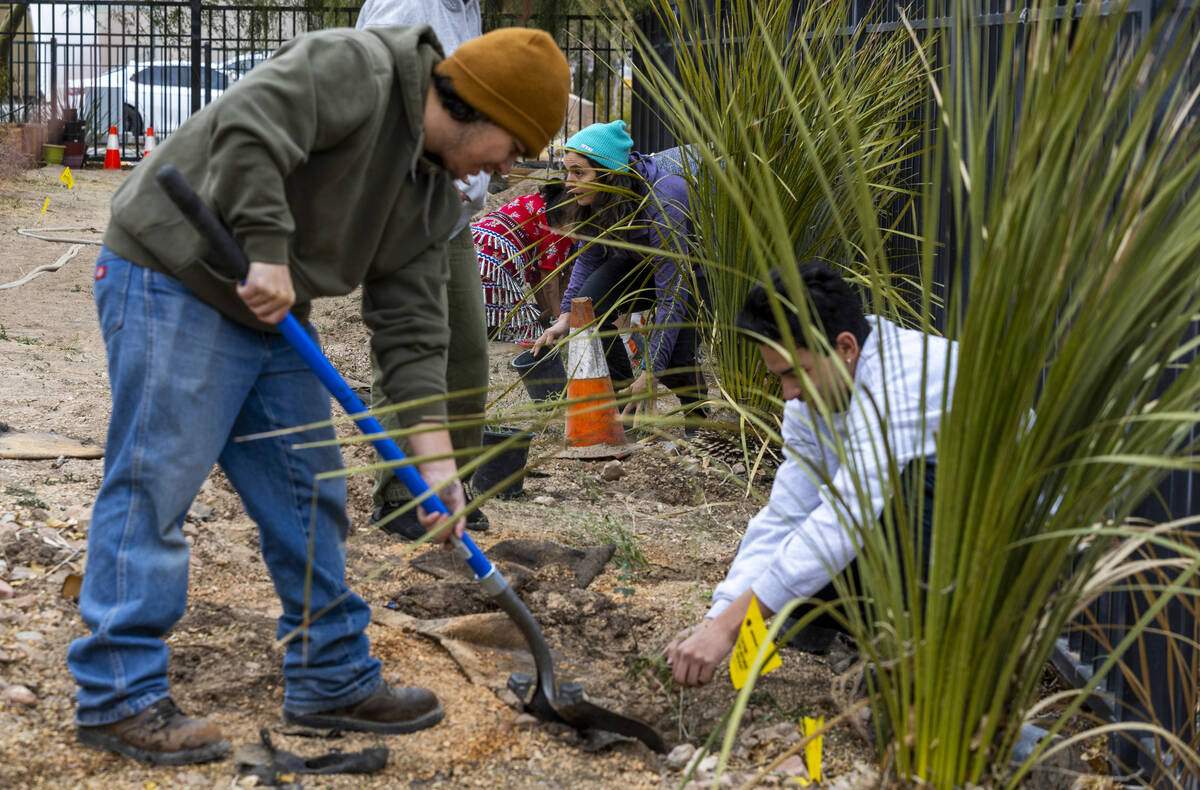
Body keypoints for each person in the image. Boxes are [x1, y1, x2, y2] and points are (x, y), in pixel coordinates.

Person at [67, 25, 569, 765]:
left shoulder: (435, 194)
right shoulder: (357, 67)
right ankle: (117, 694)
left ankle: (330, 677)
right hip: (177, 274)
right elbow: (248, 128)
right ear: (483, 112)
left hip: (273, 311)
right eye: (514, 147)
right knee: (156, 482)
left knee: (311, 493)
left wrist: (432, 467)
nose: (509, 169)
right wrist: (268, 249)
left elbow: (411, 333)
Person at [665, 262, 957, 687]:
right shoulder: (815, 399)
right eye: (779, 376)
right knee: (798, 544)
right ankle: (834, 626)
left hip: (1003, 539)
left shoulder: (902, 380)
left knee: (894, 494)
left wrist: (732, 625)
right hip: (914, 529)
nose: (789, 394)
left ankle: (929, 662)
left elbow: (845, 519)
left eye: (793, 373)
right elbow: (786, 513)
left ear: (845, 347)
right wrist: (719, 616)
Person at [355, 0, 497, 538]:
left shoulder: (467, 9)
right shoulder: (411, 4)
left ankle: (450, 489)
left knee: (465, 353)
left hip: (455, 217)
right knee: (410, 344)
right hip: (408, 205)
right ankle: (401, 494)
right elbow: (381, 92)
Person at [531, 120, 707, 420]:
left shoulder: (663, 200)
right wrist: (564, 318)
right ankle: (625, 399)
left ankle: (695, 411)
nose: (568, 183)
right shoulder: (596, 198)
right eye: (567, 171)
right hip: (636, 265)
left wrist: (651, 373)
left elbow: (671, 294)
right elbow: (588, 258)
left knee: (676, 352)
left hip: (690, 272)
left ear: (609, 173)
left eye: (579, 172)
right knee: (584, 312)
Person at [473, 180, 573, 344]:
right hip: (490, 266)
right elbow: (548, 279)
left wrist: (544, 312)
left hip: (469, 254)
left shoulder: (528, 202)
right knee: (531, 331)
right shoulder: (557, 223)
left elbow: (537, 277)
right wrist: (557, 318)